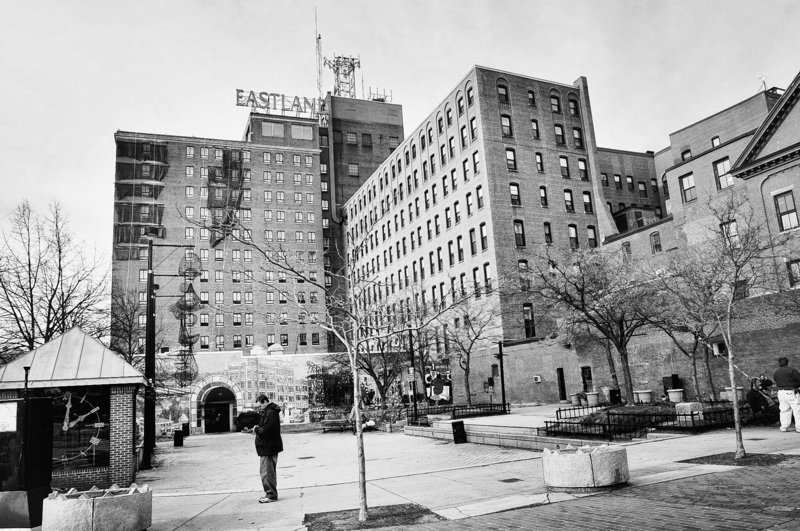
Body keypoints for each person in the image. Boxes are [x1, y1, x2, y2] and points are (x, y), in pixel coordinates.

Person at [253, 394, 283, 503]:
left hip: (268, 447)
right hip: (269, 446)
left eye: (260, 405)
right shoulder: (270, 412)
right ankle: (271, 493)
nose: (259, 408)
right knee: (268, 472)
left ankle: (271, 495)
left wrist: (257, 429)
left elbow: (266, 430)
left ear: (265, 402)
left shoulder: (270, 413)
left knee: (266, 472)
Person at [772, 357, 800, 433]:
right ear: (787, 362)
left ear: (779, 363)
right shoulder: (792, 370)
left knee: (784, 410)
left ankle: (784, 427)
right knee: (797, 410)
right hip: (791, 391)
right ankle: (799, 427)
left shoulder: (776, 372)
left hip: (781, 392)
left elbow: (775, 379)